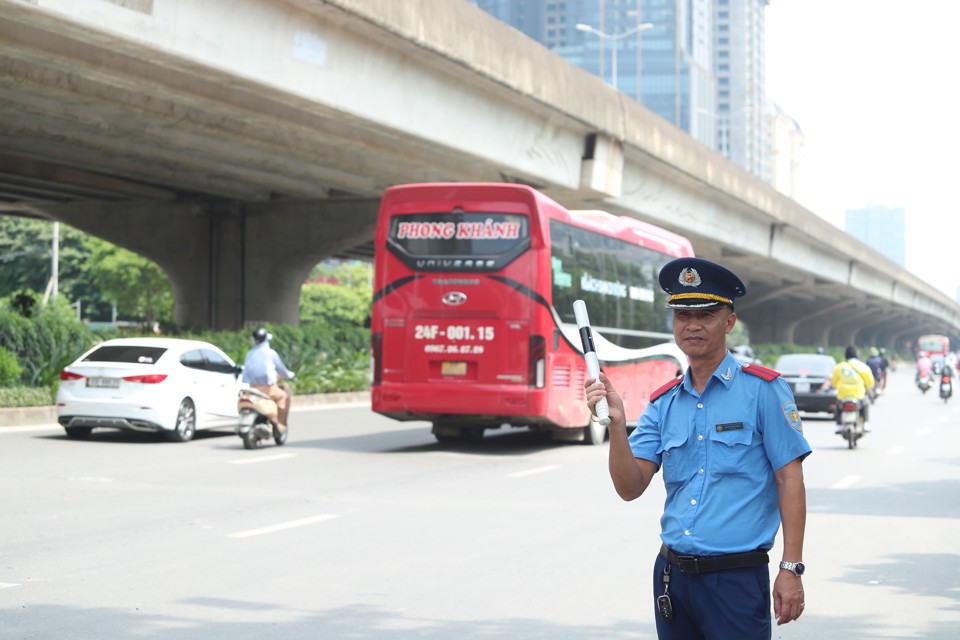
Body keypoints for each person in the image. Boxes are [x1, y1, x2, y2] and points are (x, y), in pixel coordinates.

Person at [585, 257, 811, 638]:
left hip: (736, 579)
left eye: (705, 314)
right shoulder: (663, 403)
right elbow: (629, 487)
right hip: (673, 577)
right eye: (682, 314)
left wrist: (791, 568)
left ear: (729, 322)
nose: (692, 324)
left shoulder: (764, 390)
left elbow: (790, 480)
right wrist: (618, 426)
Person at [242, 328, 295, 431]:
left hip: (252, 390)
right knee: (283, 396)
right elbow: (282, 370)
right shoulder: (270, 353)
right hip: (268, 390)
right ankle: (280, 424)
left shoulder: (249, 353)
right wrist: (290, 375)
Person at [831, 346, 875, 433]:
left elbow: (834, 382)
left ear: (846, 355)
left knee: (838, 406)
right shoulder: (864, 367)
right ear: (857, 355)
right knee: (866, 404)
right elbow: (870, 383)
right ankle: (866, 423)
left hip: (843, 395)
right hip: (858, 395)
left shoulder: (839, 367)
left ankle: (839, 424)